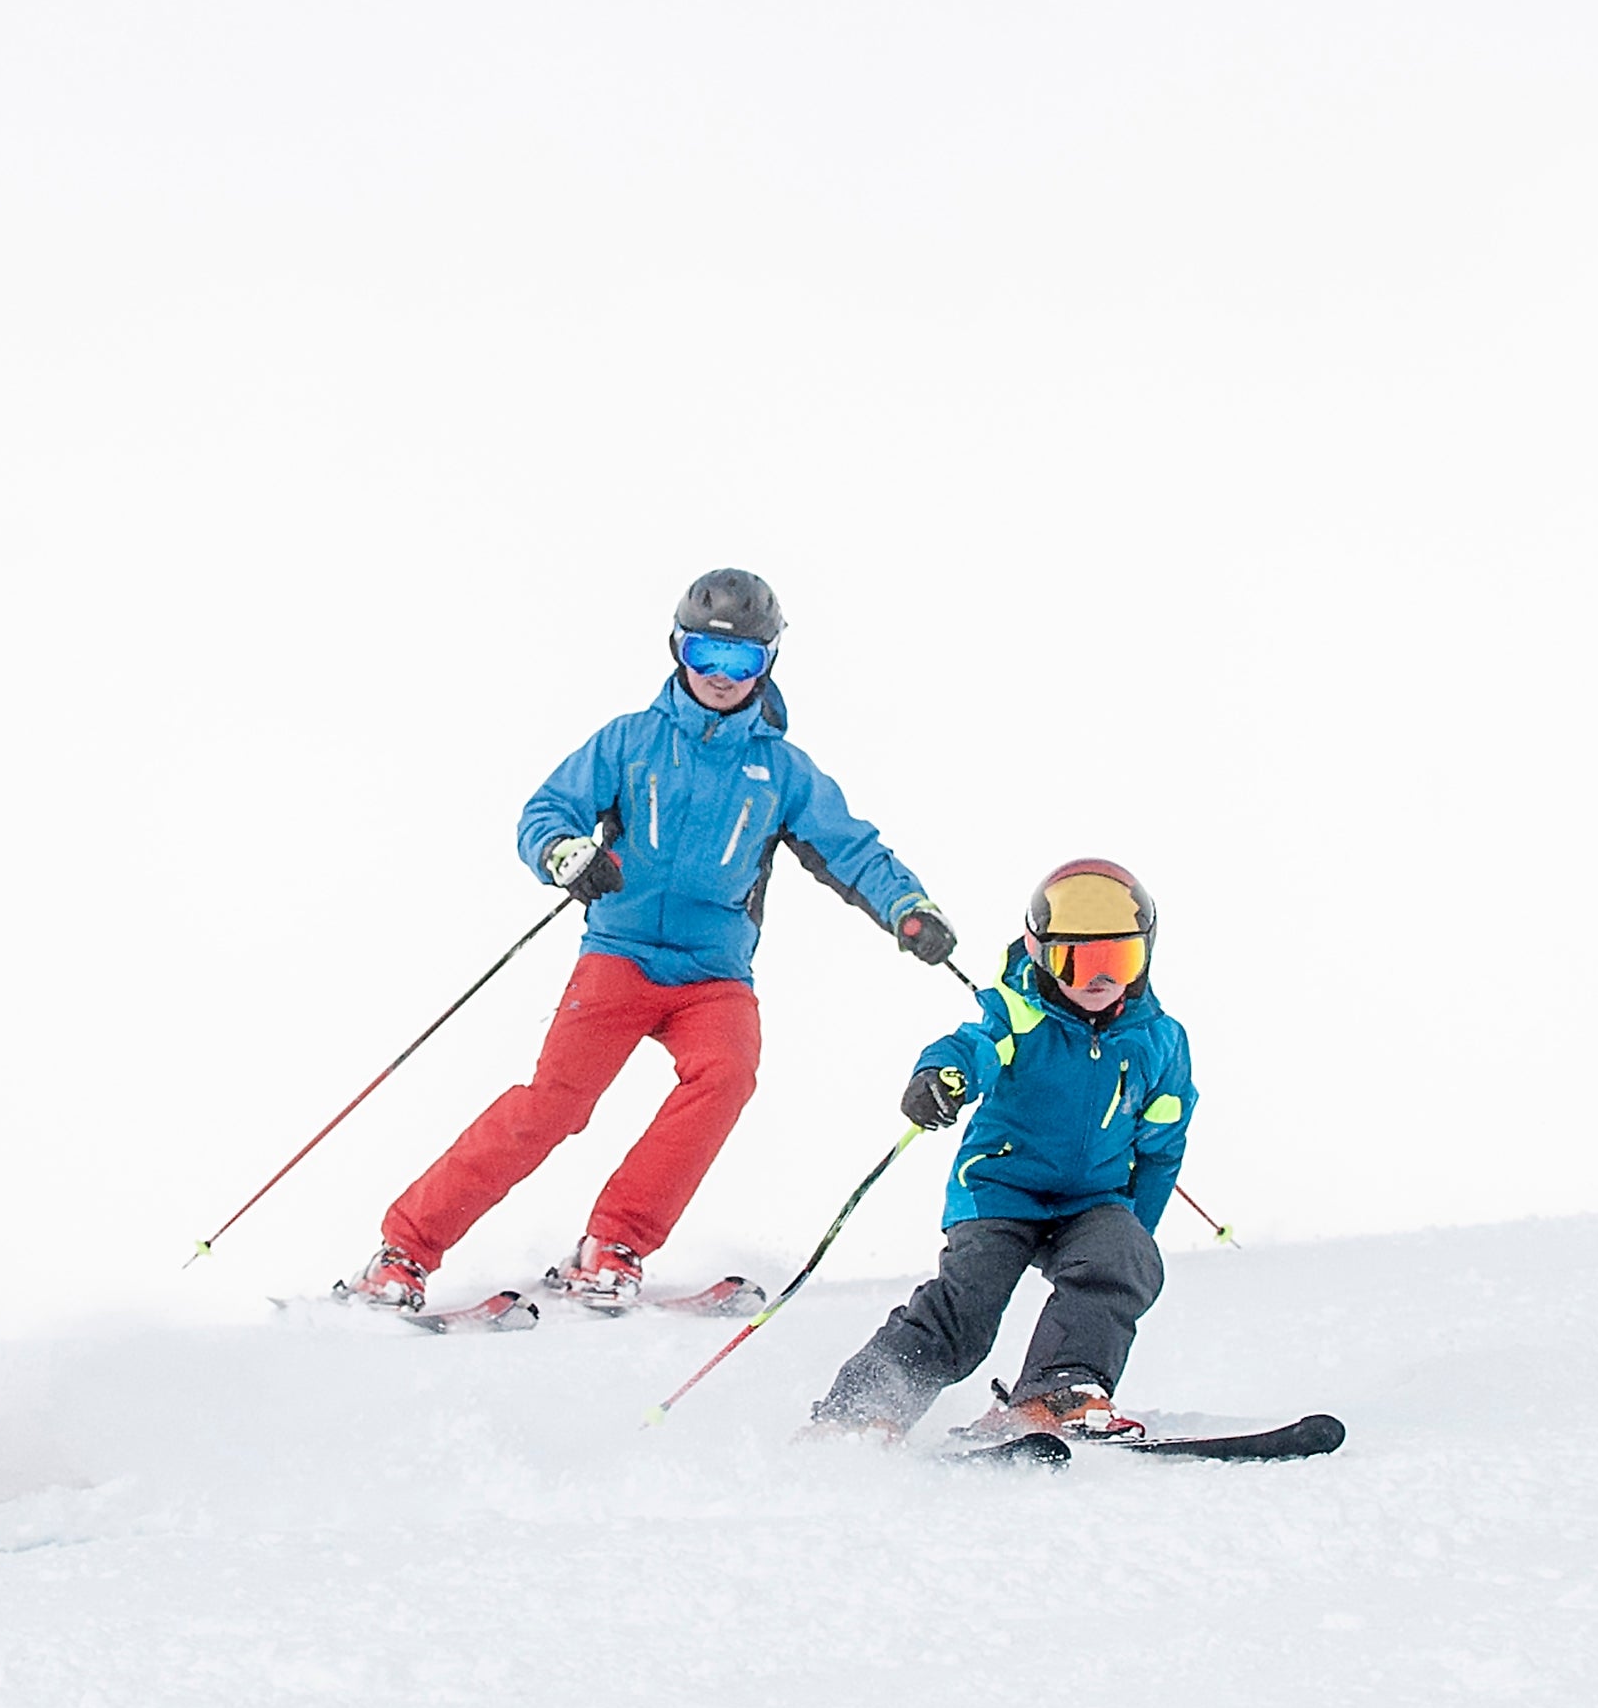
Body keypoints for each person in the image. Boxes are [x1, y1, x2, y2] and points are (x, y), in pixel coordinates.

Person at [343, 569, 955, 1316]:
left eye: (742, 663)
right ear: (677, 649)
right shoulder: (630, 741)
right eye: (705, 656)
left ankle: (615, 1244)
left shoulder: (782, 771)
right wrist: (566, 854)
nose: (721, 678)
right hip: (619, 957)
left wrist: (908, 909)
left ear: (769, 664)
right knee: (553, 1107)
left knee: (727, 1075)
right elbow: (547, 812)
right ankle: (403, 1251)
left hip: (712, 975)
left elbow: (852, 851)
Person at [806, 859, 1197, 1440]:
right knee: (968, 1308)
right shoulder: (1017, 1014)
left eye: (1118, 959)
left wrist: (1134, 1233)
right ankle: (861, 1411)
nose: (1097, 980)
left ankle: (1058, 1391)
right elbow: (969, 1048)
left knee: (1121, 1262)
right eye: (1076, 961)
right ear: (1041, 956)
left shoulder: (1159, 1042)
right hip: (1000, 1192)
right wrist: (940, 1077)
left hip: (1092, 1203)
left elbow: (1162, 1146)